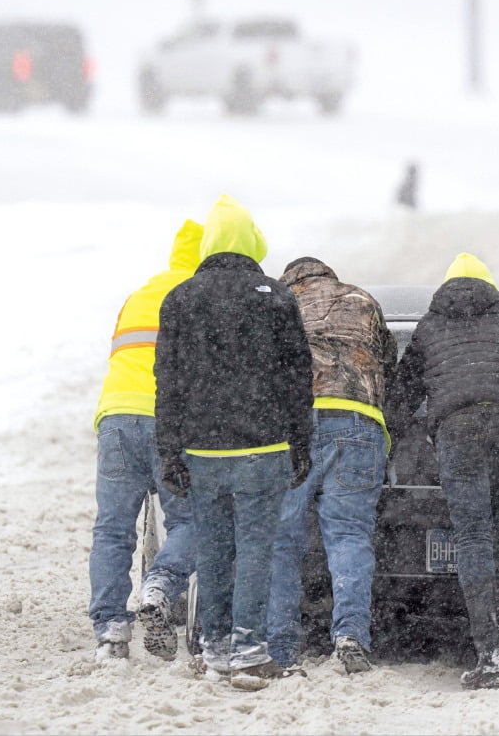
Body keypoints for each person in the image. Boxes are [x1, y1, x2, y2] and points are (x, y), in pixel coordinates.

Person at [154, 194, 314, 689]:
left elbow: (168, 381)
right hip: (263, 450)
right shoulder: (276, 296)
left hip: (202, 453)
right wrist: (300, 443)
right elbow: (297, 378)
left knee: (214, 550)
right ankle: (250, 652)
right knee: (255, 552)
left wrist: (170, 450)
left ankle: (214, 648)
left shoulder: (180, 299)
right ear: (251, 240)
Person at [386, 253, 499, 689]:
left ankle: (488, 651)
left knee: (473, 535)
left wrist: (396, 433)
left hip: (457, 428)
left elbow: (403, 391)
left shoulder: (428, 326)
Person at [267, 257, 398, 675]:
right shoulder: (362, 299)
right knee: (349, 537)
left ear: (292, 281)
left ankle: (280, 647)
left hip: (297, 425)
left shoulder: (282, 305)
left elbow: (265, 369)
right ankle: (350, 636)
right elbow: (388, 364)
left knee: (283, 542)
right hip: (359, 424)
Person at [89, 219, 202, 662]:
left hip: (115, 416)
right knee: (190, 520)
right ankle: (161, 584)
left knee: (113, 529)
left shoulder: (138, 295)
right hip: (166, 420)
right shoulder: (195, 297)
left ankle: (111, 632)